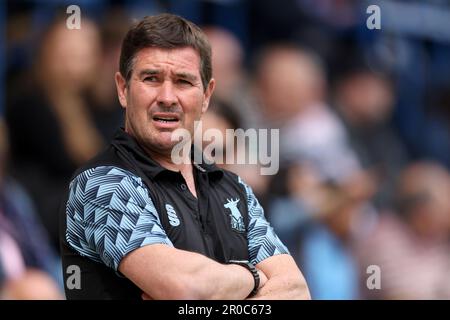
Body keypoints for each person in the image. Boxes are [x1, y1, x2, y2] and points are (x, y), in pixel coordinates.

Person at [60, 13, 310, 300]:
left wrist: (214, 290)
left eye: (183, 81)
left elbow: (296, 290)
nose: (167, 96)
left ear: (206, 96)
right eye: (151, 78)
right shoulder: (103, 183)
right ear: (123, 89)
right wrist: (253, 276)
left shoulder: (234, 189)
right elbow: (184, 287)